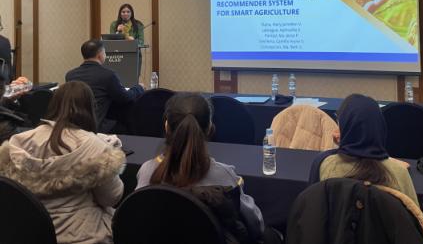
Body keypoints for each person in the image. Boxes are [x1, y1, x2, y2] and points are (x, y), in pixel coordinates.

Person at [0, 80, 125, 244]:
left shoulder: (19, 142)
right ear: (89, 108)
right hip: (83, 236)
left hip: (30, 232)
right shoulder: (96, 147)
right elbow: (111, 198)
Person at [136, 93, 271, 243]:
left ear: (166, 127)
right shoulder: (224, 175)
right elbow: (255, 224)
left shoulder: (147, 171)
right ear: (210, 129)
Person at [309, 93, 419, 206]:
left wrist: (341, 146)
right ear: (380, 127)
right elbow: (415, 213)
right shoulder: (399, 173)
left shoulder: (326, 166)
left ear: (345, 129)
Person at [66, 39, 144, 133]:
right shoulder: (108, 75)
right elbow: (125, 97)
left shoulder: (70, 75)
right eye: (105, 52)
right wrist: (139, 88)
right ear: (100, 55)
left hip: (75, 126)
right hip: (97, 126)